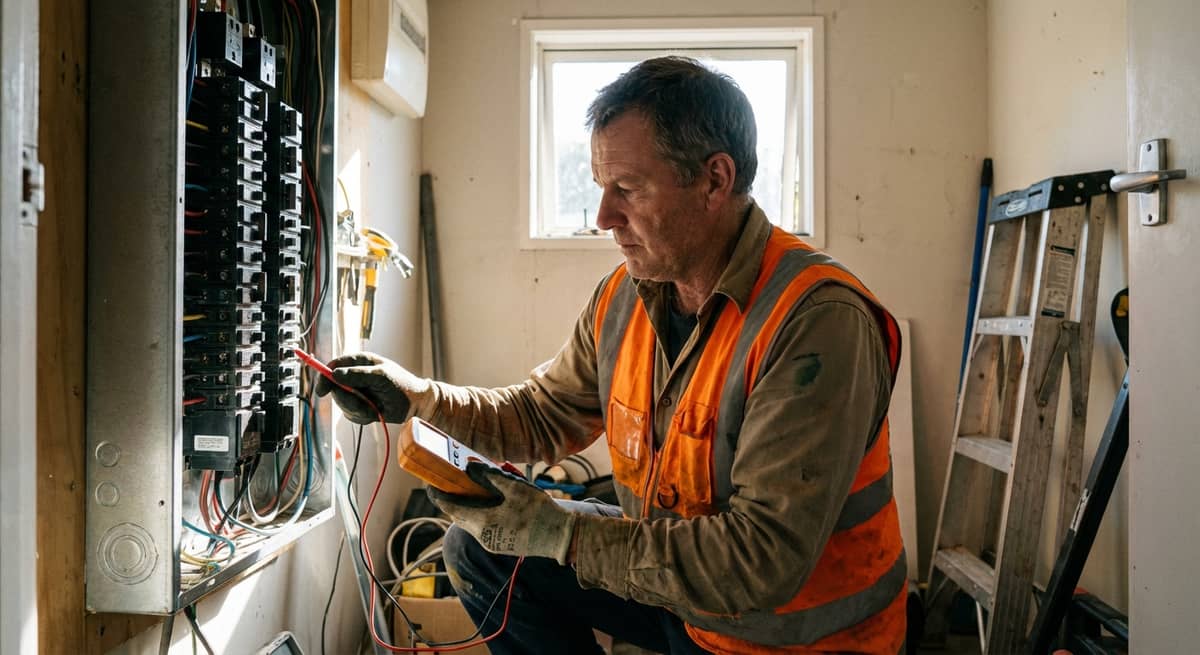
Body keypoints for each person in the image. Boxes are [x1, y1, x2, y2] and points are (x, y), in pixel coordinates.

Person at [317, 56, 906, 654]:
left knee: (541, 539)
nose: (603, 218)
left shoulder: (816, 322)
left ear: (714, 181)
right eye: (602, 189)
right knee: (477, 549)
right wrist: (418, 398)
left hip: (792, 639)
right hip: (678, 596)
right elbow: (540, 414)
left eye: (627, 189)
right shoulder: (626, 297)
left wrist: (563, 536)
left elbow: (761, 562)